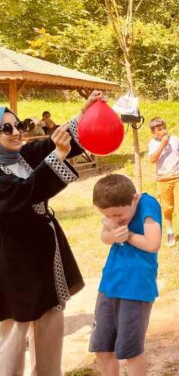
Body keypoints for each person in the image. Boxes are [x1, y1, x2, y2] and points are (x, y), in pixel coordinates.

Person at [0, 93, 100, 375]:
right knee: (13, 336)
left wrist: (85, 112)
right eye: (7, 128)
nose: (17, 132)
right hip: (12, 266)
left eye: (18, 125)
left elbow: (55, 142)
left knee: (50, 326)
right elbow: (24, 192)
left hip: (45, 259)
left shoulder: (22, 157)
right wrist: (56, 156)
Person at [91, 174, 162, 376]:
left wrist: (128, 236)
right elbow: (105, 236)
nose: (114, 220)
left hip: (136, 289)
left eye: (119, 216)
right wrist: (112, 234)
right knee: (103, 349)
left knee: (131, 351)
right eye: (108, 216)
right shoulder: (115, 210)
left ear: (134, 198)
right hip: (109, 286)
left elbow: (152, 243)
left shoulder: (147, 203)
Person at [147, 117, 179, 247]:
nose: (163, 131)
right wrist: (162, 145)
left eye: (164, 128)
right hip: (163, 179)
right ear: (153, 132)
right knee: (167, 207)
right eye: (159, 130)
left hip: (178, 176)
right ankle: (170, 232)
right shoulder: (153, 143)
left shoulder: (175, 140)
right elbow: (152, 159)